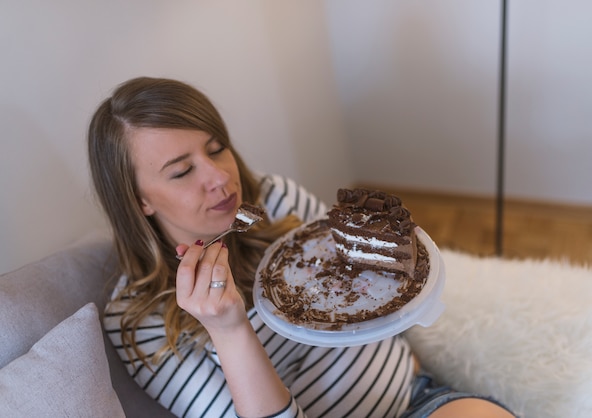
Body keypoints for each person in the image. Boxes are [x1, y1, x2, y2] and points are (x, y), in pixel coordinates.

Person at [88, 76, 517, 418]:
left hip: (417, 401)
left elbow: (382, 298)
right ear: (138, 199)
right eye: (181, 171)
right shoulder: (141, 322)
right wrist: (229, 330)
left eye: (217, 149)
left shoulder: (276, 202)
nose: (219, 177)